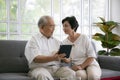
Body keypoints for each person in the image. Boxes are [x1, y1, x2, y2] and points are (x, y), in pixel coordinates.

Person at [25, 15, 75, 80]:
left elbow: (62, 59)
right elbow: (36, 58)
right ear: (41, 27)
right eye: (51, 26)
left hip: (56, 68)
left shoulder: (58, 42)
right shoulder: (33, 40)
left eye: (54, 26)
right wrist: (53, 58)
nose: (54, 28)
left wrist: (65, 60)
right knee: (42, 75)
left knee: (71, 73)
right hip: (40, 68)